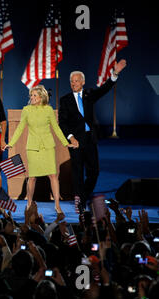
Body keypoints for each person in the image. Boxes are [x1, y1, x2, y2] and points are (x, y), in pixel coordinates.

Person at [58, 59, 127, 209]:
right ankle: (80, 200)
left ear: (82, 82)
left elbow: (104, 89)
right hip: (75, 141)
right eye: (71, 81)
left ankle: (83, 195)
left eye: (76, 81)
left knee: (94, 172)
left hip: (90, 139)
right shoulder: (65, 100)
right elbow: (62, 122)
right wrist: (71, 137)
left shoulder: (89, 94)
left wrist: (115, 74)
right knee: (77, 172)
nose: (73, 83)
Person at [7, 85, 74, 214]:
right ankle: (29, 203)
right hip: (32, 148)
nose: (32, 98)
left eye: (34, 96)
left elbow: (56, 128)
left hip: (47, 147)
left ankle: (57, 205)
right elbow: (20, 128)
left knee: (53, 176)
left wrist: (66, 143)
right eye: (31, 95)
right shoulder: (26, 110)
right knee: (32, 177)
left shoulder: (48, 110)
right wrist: (11, 143)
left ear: (41, 97)